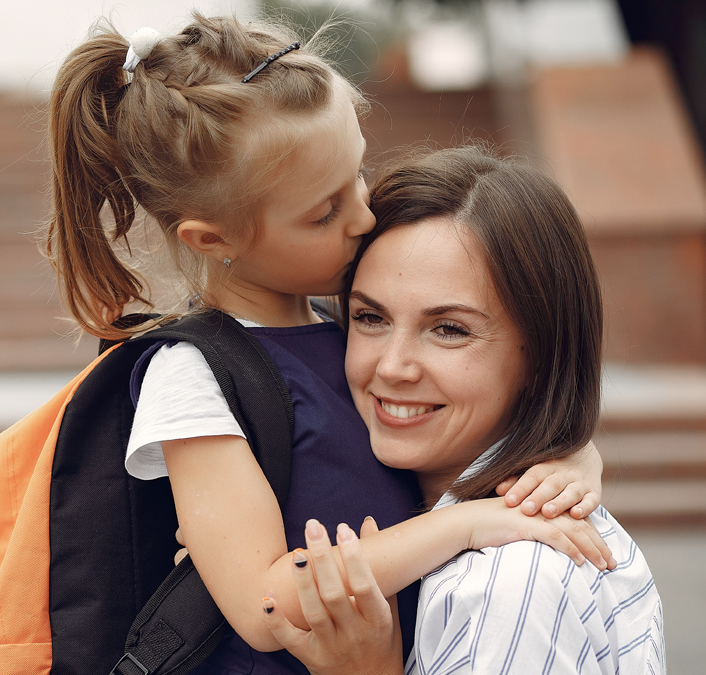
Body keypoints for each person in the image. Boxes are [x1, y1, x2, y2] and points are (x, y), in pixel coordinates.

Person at [46, 15, 611, 673]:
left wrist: (570, 458)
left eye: (359, 177)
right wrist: (470, 525)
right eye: (324, 211)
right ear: (213, 239)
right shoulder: (191, 374)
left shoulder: (350, 324)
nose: (365, 217)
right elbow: (265, 603)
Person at [260, 146, 665, 674]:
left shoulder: (510, 582)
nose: (393, 367)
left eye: (449, 329)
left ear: (542, 355)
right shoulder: (412, 511)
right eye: (370, 317)